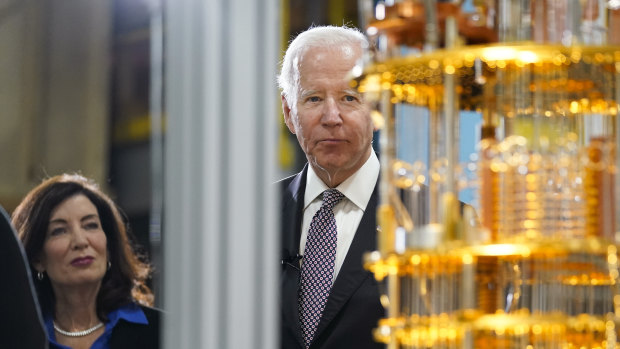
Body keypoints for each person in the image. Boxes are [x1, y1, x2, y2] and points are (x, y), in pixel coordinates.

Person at [278, 25, 384, 349]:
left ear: (377, 107)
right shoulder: (250, 216)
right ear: (288, 112)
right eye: (313, 98)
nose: (332, 117)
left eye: (349, 98)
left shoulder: (428, 219)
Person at [11, 173, 161, 349]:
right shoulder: (15, 339)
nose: (81, 242)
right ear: (37, 259)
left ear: (109, 246)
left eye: (90, 225)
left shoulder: (162, 331)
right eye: (59, 231)